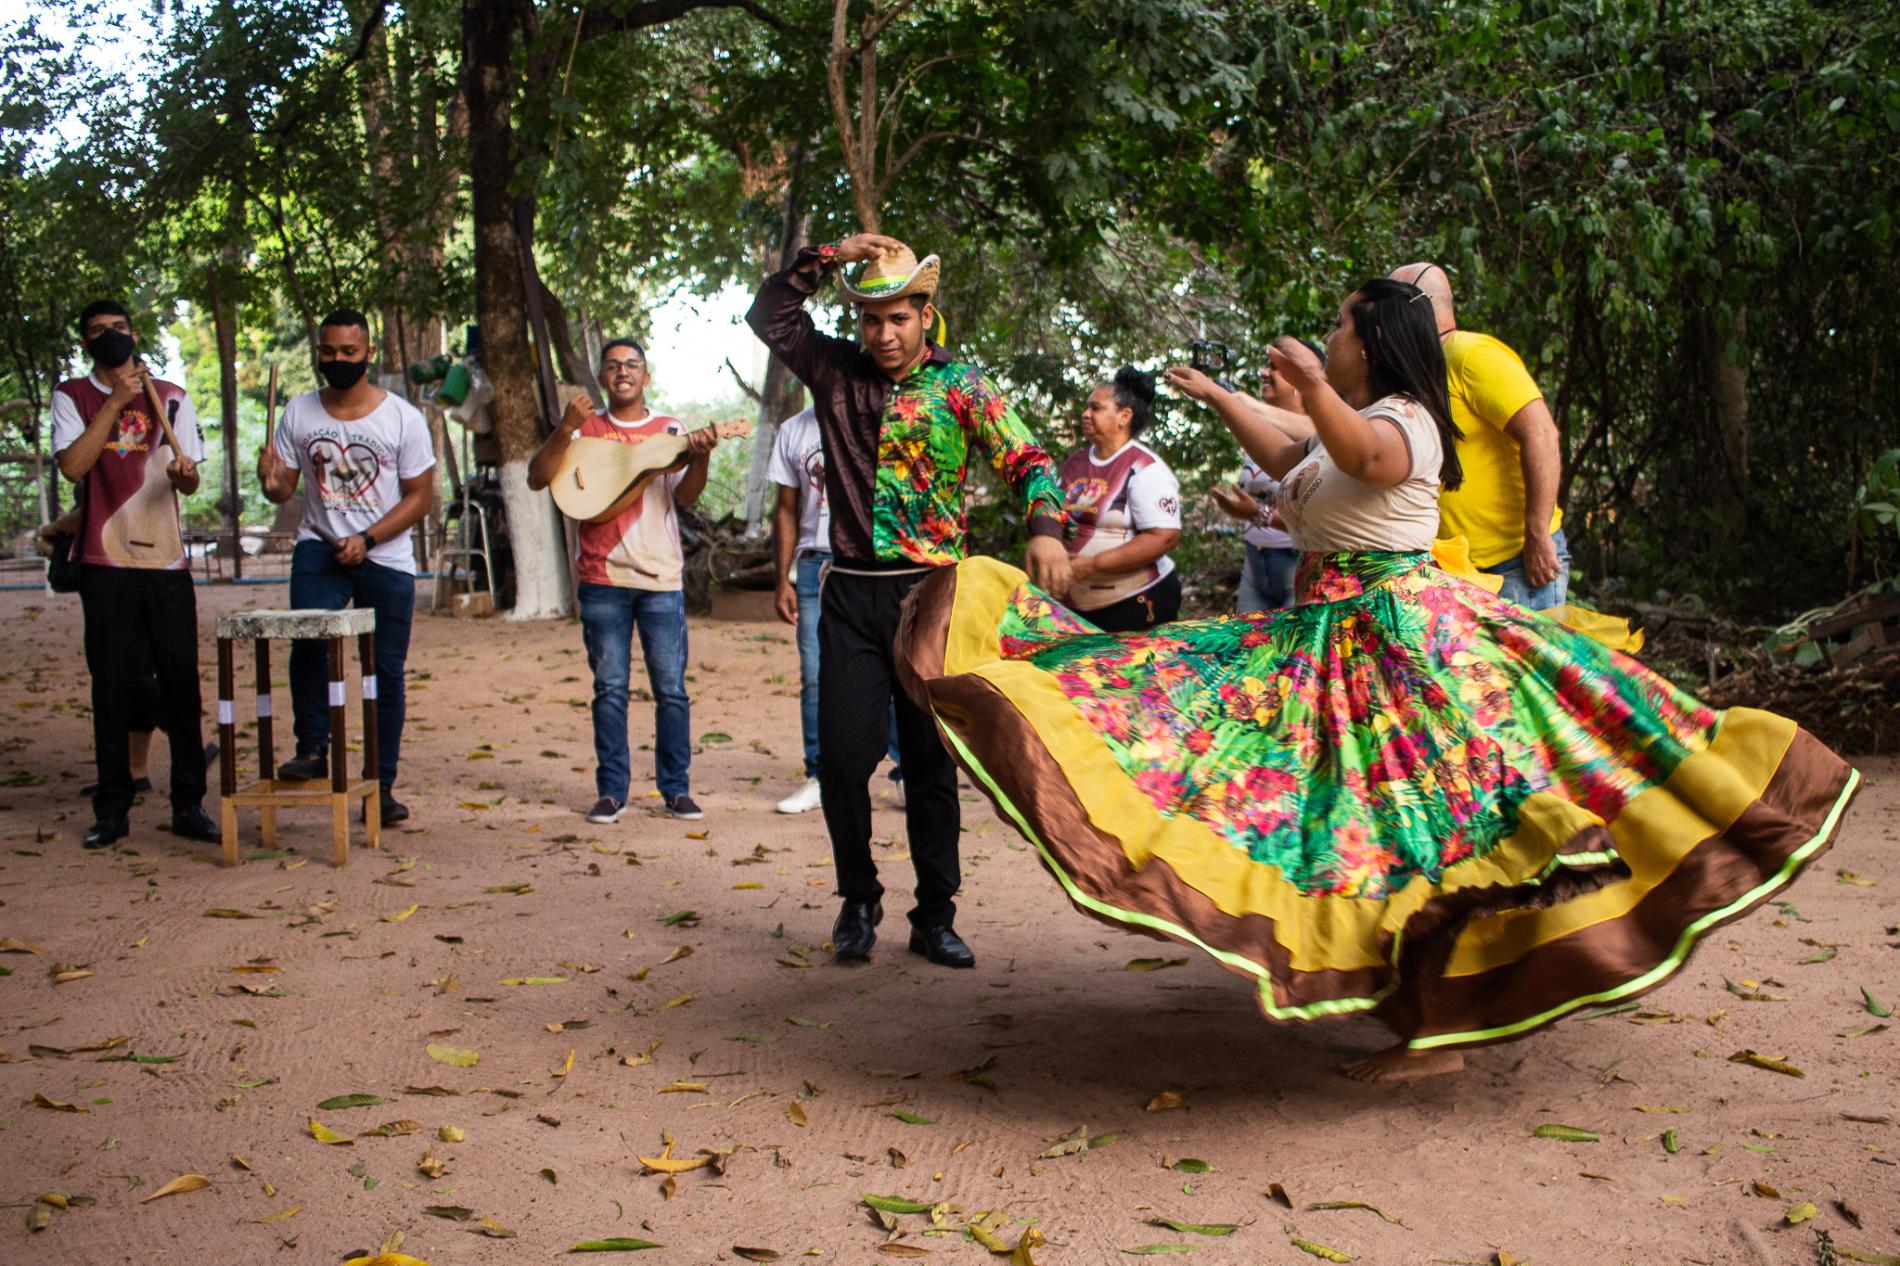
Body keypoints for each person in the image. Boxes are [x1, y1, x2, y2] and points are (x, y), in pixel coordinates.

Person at [897, 277, 1858, 1082]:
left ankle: (1436, 1027)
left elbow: (1359, 454)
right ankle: (1425, 1010)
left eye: (1339, 329)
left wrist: (1311, 388)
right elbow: (1294, 460)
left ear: (1372, 345)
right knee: (1352, 825)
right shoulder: (1344, 420)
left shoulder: (1406, 421)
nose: (1327, 337)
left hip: (1402, 643)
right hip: (1328, 637)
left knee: (1416, 826)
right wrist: (1224, 397)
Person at [747, 232, 1072, 970]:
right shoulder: (833, 372)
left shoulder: (962, 386)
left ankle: (935, 915)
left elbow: (1026, 458)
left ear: (927, 315)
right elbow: (770, 315)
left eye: (899, 318)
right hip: (852, 594)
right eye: (871, 320)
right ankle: (858, 901)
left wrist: (1047, 528)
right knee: (841, 759)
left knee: (929, 765)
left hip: (932, 599)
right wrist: (828, 254)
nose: (884, 334)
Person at [51, 300, 220, 850]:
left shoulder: (170, 396)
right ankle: (113, 808)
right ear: (85, 343)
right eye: (96, 332)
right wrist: (116, 401)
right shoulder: (71, 397)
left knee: (179, 679)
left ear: (134, 332)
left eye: (117, 329)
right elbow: (74, 465)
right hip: (104, 560)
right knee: (111, 686)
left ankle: (189, 804)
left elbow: (189, 481)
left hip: (165, 561)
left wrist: (184, 473)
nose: (109, 337)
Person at [528, 339, 717, 824]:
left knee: (671, 690)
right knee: (609, 689)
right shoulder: (584, 430)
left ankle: (676, 789)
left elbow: (687, 499)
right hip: (600, 578)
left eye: (632, 364)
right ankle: (612, 791)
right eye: (612, 366)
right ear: (603, 377)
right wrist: (566, 426)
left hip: (661, 579)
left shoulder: (670, 429)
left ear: (646, 376)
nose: (623, 372)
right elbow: (536, 478)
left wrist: (701, 456)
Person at [260, 308, 435, 827]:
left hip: (386, 553)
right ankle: (312, 748)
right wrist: (270, 481)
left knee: (383, 672)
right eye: (328, 352)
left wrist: (369, 537)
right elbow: (284, 488)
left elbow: (420, 496)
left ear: (369, 354)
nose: (337, 361)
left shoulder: (402, 417)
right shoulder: (298, 412)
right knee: (309, 636)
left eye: (348, 353)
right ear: (319, 352)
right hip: (320, 544)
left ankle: (380, 785)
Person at [1391, 262, 1568, 608]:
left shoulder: (1471, 355)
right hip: (1456, 569)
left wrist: (1537, 532)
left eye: (1394, 303)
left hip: (1515, 564)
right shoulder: (1419, 371)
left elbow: (1543, 434)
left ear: (1419, 304)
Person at [767, 405, 903, 815]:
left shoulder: (884, 419)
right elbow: (787, 509)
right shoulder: (794, 430)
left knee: (896, 671)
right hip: (815, 566)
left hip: (876, 564)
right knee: (816, 676)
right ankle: (821, 775)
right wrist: (782, 577)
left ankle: (906, 774)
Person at [1169, 344, 1323, 612]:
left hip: (1295, 561)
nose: (1264, 372)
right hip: (1255, 562)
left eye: (1276, 367)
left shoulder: (1319, 435)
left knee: (1286, 651)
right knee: (1250, 648)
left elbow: (1318, 522)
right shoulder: (1258, 428)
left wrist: (1256, 512)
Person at [1058, 367, 1183, 631]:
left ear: (1124, 416)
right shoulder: (1074, 464)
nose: (1085, 414)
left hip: (1134, 601)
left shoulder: (1144, 468)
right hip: (1077, 605)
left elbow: (1165, 537)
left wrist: (1093, 564)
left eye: (1096, 408)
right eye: (1086, 407)